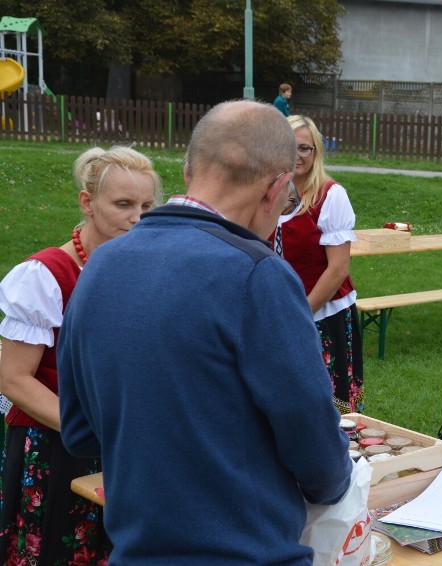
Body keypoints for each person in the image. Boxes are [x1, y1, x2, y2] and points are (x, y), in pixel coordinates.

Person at [57, 100, 353, 565]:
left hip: (135, 550)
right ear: (275, 187)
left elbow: (78, 431)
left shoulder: (99, 265)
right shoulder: (259, 275)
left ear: (189, 168)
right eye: (288, 198)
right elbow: (317, 453)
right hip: (245, 552)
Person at [0, 145, 161, 564]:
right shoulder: (46, 276)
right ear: (87, 203)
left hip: (122, 441)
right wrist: (90, 432)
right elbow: (13, 378)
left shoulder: (142, 267)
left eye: (146, 205)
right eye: (123, 204)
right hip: (54, 443)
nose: (138, 217)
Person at [270, 114, 364, 414]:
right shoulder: (268, 193)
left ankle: (341, 454)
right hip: (279, 309)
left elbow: (337, 269)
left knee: (328, 401)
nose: (296, 156)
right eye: (289, 147)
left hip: (323, 311)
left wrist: (302, 314)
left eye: (304, 148)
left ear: (316, 152)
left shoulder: (330, 196)